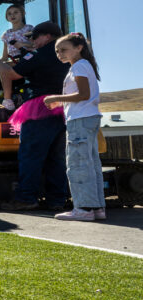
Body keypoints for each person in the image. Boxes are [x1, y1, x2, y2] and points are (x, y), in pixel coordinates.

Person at [0, 21, 70, 211]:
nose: (33, 42)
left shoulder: (40, 54)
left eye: (34, 37)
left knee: (31, 154)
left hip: (40, 108)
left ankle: (26, 198)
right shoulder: (65, 56)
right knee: (56, 158)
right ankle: (56, 200)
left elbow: (10, 74)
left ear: (47, 36)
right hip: (62, 110)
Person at [44, 33, 104, 221]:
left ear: (78, 48)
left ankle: (84, 209)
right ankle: (97, 208)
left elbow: (83, 94)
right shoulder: (83, 66)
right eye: (57, 51)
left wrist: (56, 98)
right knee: (92, 164)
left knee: (78, 164)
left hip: (80, 120)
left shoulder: (78, 66)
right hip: (88, 118)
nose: (59, 53)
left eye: (63, 49)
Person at [0, 3, 34, 111]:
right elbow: (4, 55)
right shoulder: (6, 34)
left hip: (27, 57)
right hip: (13, 59)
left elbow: (34, 45)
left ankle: (7, 100)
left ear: (23, 14)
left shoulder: (29, 28)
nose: (12, 15)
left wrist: (22, 45)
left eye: (15, 12)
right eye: (9, 14)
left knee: (4, 69)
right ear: (7, 18)